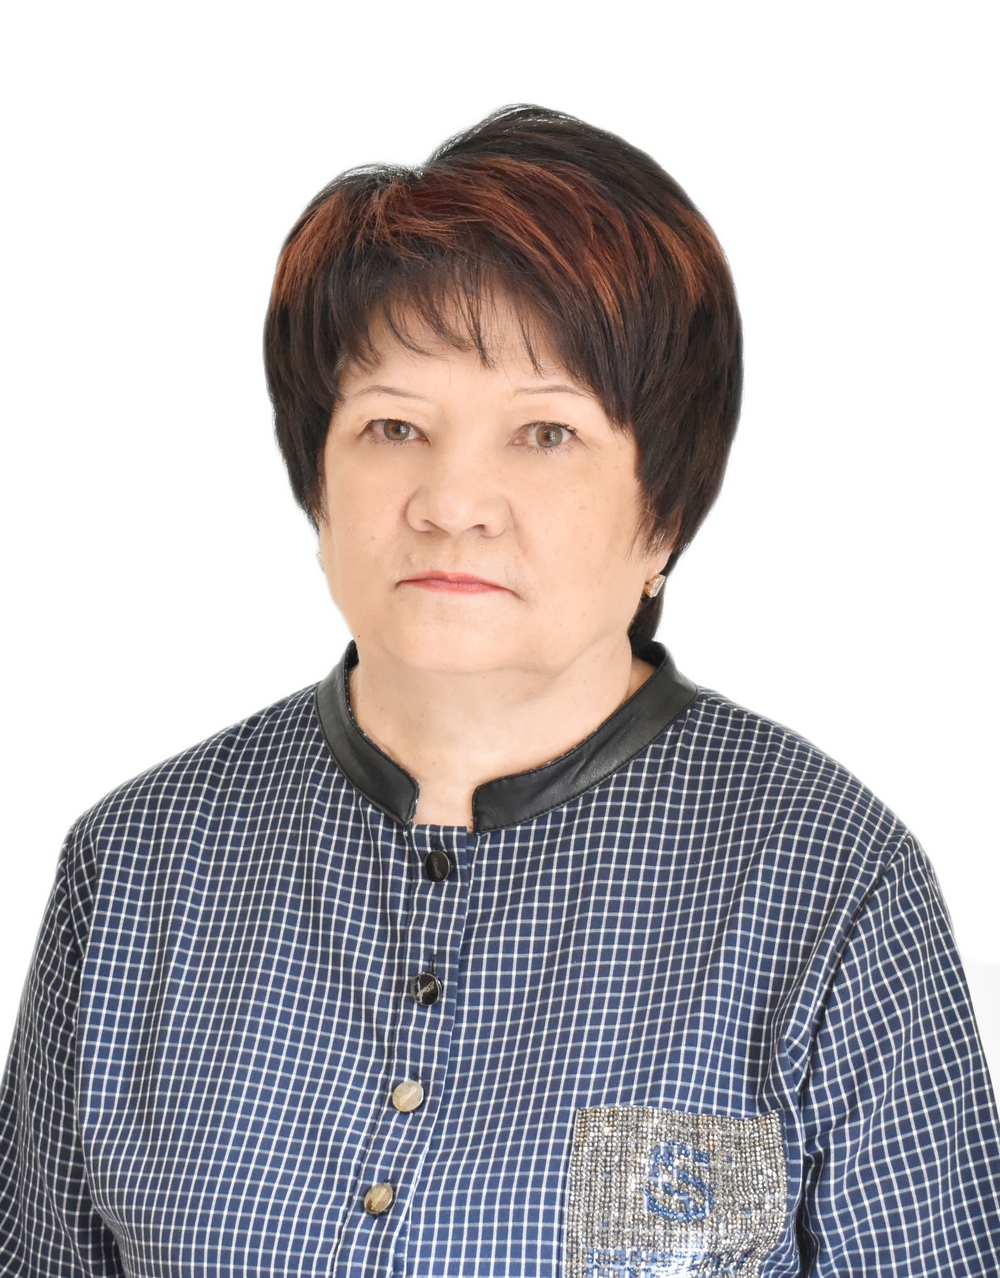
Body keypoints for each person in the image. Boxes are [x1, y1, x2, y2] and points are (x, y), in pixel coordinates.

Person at [0, 105, 997, 1278]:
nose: (451, 502)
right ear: (317, 487)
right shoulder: (138, 867)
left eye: (545, 433)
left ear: (665, 511)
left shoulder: (826, 880)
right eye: (392, 427)